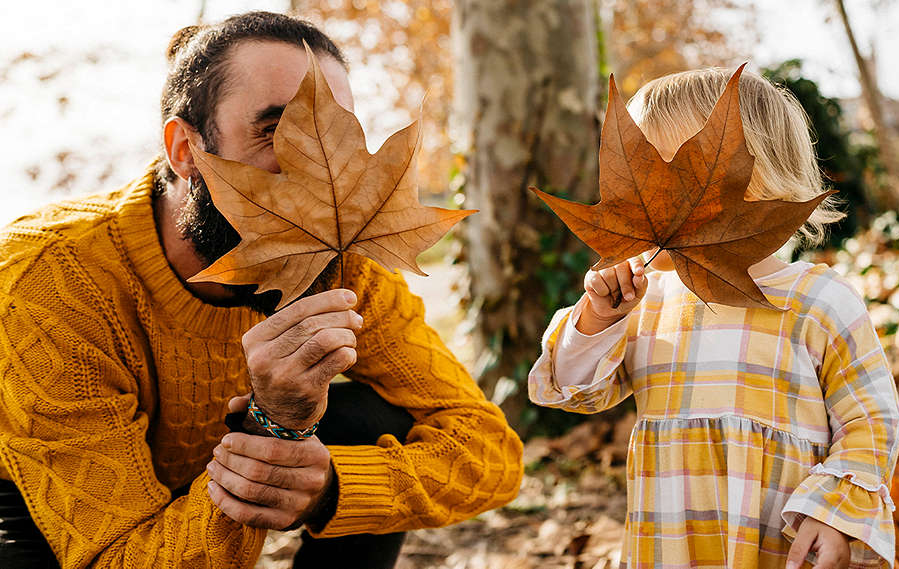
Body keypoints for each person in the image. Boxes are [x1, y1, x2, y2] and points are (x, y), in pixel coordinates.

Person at [0, 11, 523, 569]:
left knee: (373, 424)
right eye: (277, 130)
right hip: (53, 526)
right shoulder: (51, 279)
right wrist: (276, 425)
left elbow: (491, 452)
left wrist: (331, 488)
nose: (319, 171)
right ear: (184, 150)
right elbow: (121, 557)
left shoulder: (345, 264)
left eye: (333, 137)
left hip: (201, 496)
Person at [528, 68, 899, 569]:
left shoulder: (817, 301)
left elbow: (872, 421)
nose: (645, 206)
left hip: (779, 542)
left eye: (669, 183)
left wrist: (833, 513)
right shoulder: (647, 302)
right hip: (669, 543)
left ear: (754, 182)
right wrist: (598, 319)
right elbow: (573, 389)